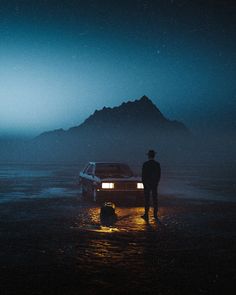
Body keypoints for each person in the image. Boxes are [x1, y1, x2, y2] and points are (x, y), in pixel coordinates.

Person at [141, 150, 161, 222]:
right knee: (155, 198)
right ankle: (155, 214)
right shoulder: (157, 164)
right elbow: (159, 175)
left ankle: (146, 214)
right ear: (154, 156)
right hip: (154, 184)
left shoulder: (145, 164)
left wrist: (144, 183)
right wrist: (156, 182)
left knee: (147, 199)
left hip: (147, 184)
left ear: (148, 156)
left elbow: (143, 175)